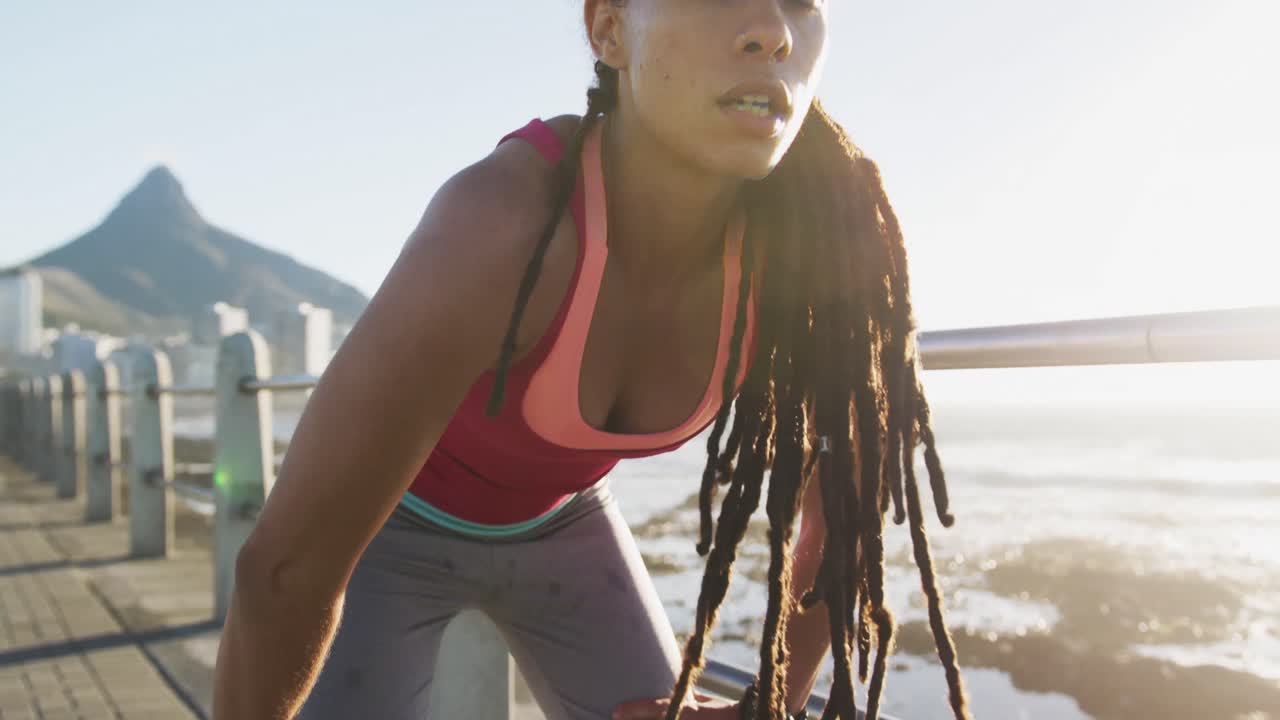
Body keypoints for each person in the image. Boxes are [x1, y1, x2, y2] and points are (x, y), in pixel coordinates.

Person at [213, 2, 970, 719]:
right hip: (387, 530)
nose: (772, 32)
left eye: (802, 1)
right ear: (608, 28)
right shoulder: (504, 222)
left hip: (564, 526)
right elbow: (284, 571)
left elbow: (846, 517)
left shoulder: (817, 254)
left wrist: (770, 702)